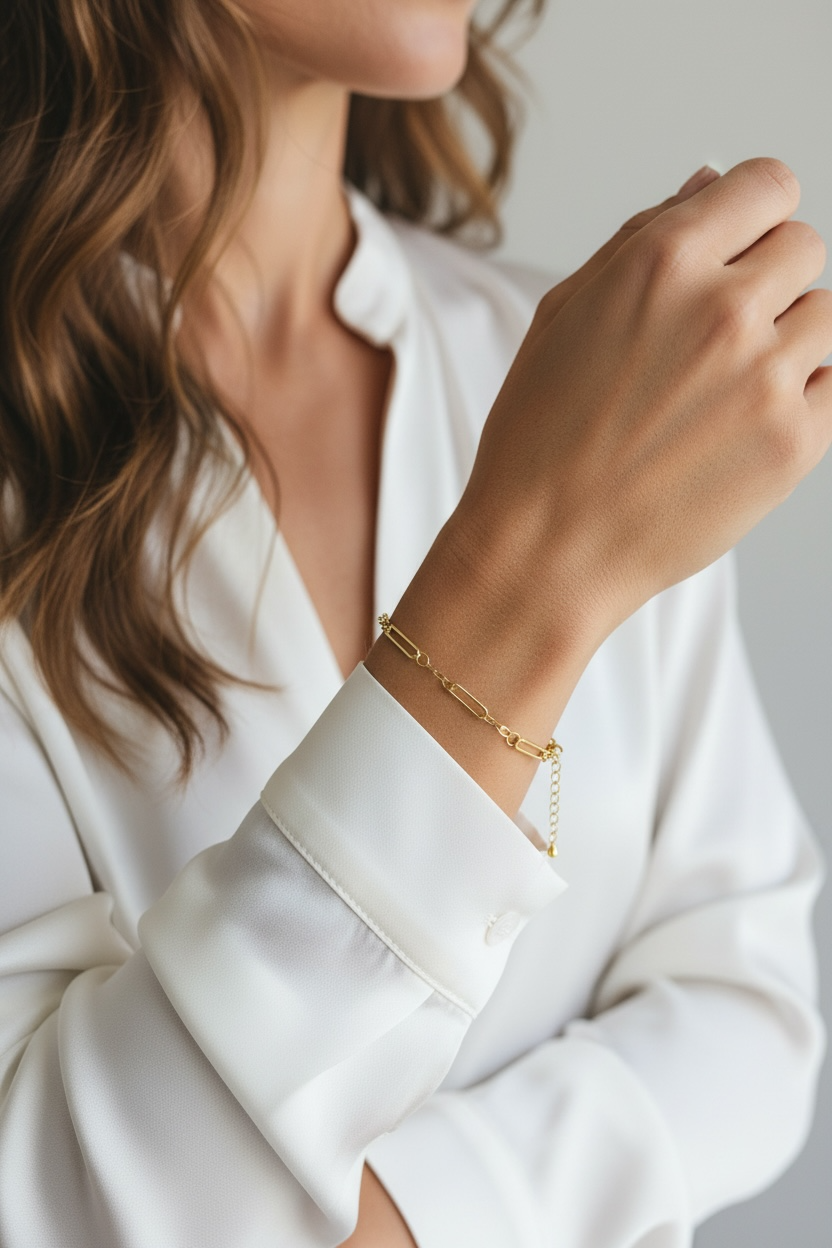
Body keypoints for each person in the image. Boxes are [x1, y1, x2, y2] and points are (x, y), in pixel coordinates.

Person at [0, 0, 829, 1244]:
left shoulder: (567, 369)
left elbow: (747, 1000)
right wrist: (529, 573)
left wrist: (405, 1219)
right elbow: (48, 1192)